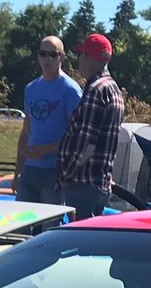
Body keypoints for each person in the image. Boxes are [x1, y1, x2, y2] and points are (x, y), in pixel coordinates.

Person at [55, 32, 125, 219]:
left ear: (89, 58)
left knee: (78, 243)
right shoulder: (114, 89)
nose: (79, 60)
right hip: (100, 181)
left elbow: (87, 142)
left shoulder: (95, 90)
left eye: (82, 55)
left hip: (83, 182)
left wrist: (66, 173)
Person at [13, 35, 80, 207]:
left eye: (53, 54)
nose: (47, 59)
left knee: (50, 224)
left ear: (62, 57)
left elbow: (77, 136)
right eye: (43, 54)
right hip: (29, 169)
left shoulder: (71, 91)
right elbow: (26, 131)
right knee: (21, 223)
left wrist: (46, 149)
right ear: (38, 56)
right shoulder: (31, 88)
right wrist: (17, 173)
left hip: (55, 171)